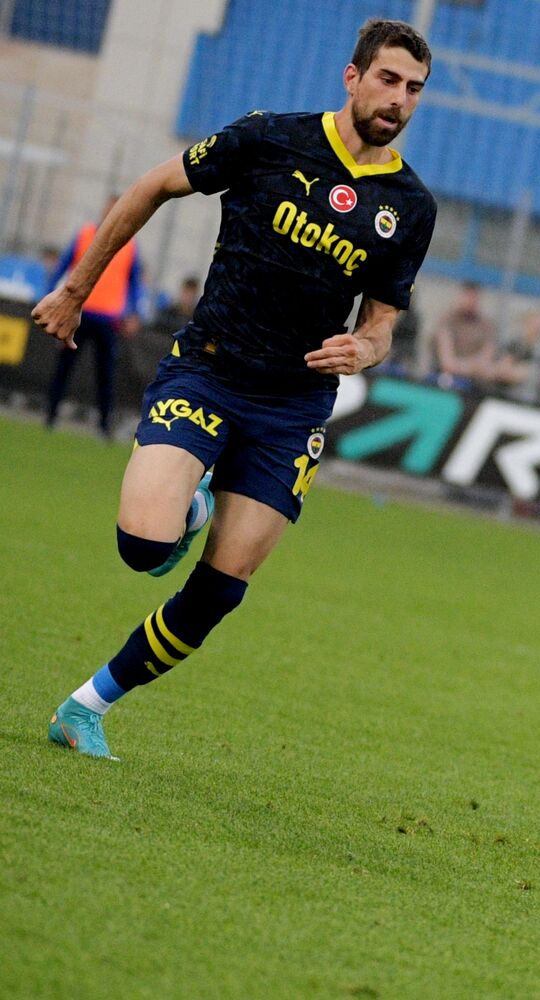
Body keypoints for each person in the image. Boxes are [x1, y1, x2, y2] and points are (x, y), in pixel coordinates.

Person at [32, 18, 437, 760]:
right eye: (388, 80)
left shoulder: (410, 208)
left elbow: (383, 325)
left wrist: (364, 349)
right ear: (352, 78)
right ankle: (192, 504)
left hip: (294, 407)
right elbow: (154, 185)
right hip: (211, 369)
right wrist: (76, 289)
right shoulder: (266, 139)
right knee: (141, 546)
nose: (399, 99)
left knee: (222, 586)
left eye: (414, 88)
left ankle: (86, 707)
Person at [45, 197, 144, 438]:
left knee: (105, 374)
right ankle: (50, 416)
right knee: (64, 368)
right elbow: (62, 268)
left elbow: (134, 283)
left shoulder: (129, 245)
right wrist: (50, 297)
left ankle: (103, 425)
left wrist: (134, 312)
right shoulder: (85, 235)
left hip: (109, 319)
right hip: (78, 313)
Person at [432, 280, 497, 384]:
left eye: (474, 298)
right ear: (460, 297)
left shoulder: (486, 326)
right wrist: (473, 366)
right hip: (446, 379)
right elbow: (447, 362)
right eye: (468, 297)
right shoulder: (447, 321)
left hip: (476, 382)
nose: (471, 301)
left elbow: (486, 360)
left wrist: (464, 366)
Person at [493, 307, 540, 399]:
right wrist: (531, 372)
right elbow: (503, 371)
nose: (535, 329)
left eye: (538, 326)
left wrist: (524, 370)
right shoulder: (515, 344)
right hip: (509, 394)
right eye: (532, 324)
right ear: (526, 324)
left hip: (535, 398)